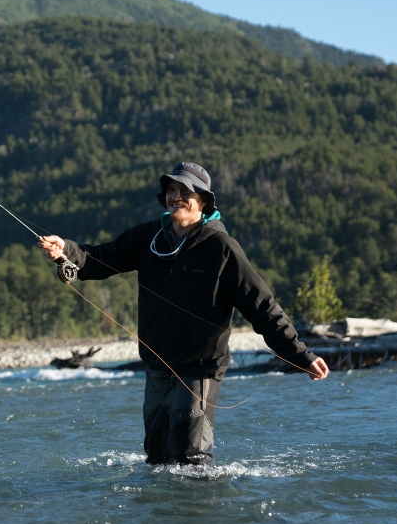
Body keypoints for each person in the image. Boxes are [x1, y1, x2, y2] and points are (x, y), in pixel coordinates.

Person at [38, 162, 328, 465]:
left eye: (184, 191)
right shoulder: (149, 237)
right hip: (157, 373)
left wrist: (300, 356)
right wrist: (66, 250)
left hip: (199, 374)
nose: (175, 197)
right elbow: (100, 258)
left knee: (191, 460)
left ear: (202, 200)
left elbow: (264, 309)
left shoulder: (222, 248)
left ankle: (198, 512)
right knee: (157, 459)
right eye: (171, 190)